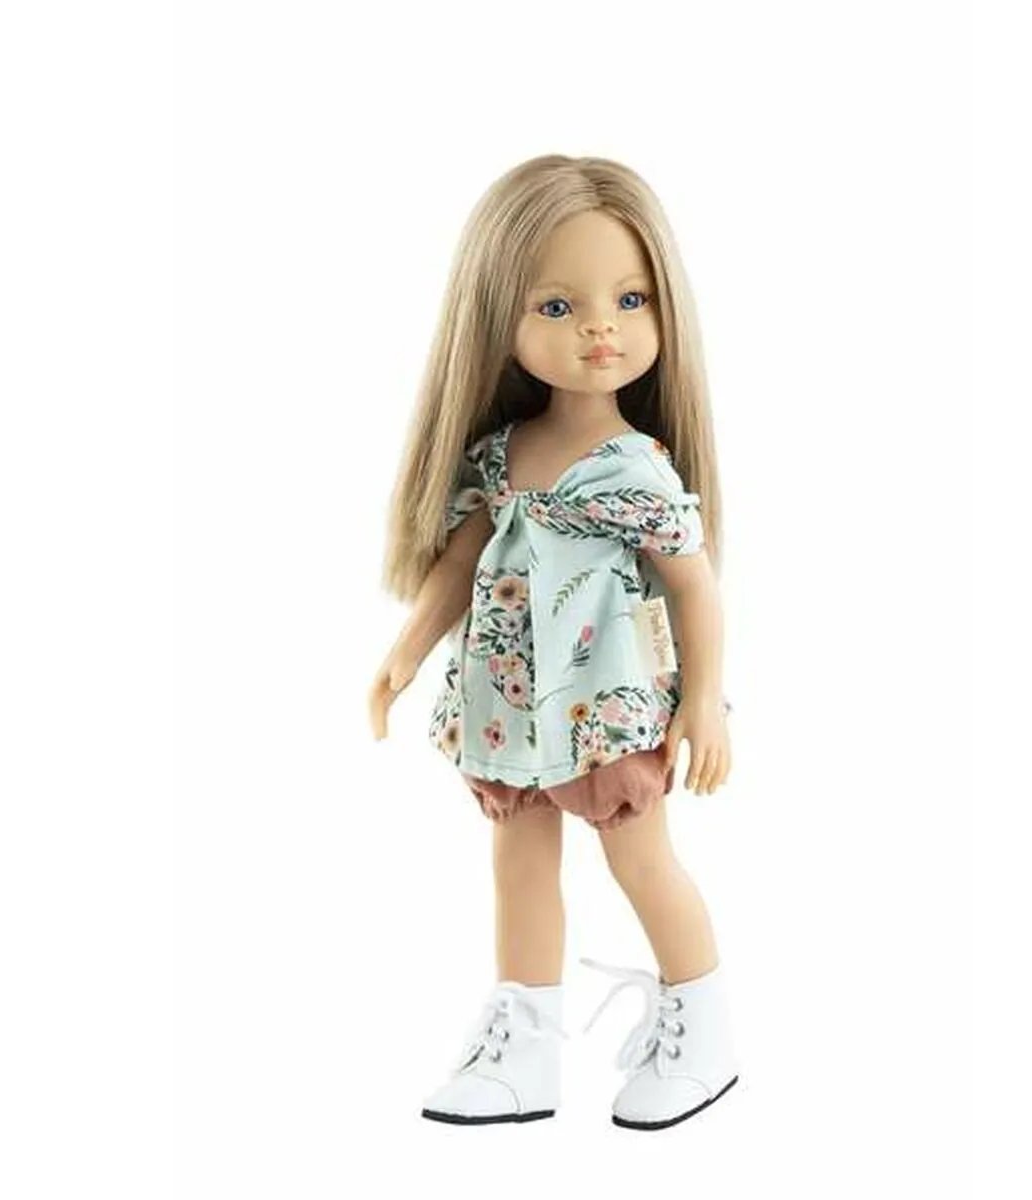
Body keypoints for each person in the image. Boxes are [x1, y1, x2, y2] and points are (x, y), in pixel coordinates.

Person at [370, 154, 738, 1130]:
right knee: (519, 860)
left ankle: (702, 1024)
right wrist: (407, 651)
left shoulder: (635, 469)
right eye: (559, 307)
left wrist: (703, 702)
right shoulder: (501, 456)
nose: (601, 329)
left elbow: (694, 585)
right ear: (499, 319)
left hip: (608, 699)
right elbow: (461, 558)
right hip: (510, 695)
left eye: (630, 299)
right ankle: (524, 1044)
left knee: (639, 860)